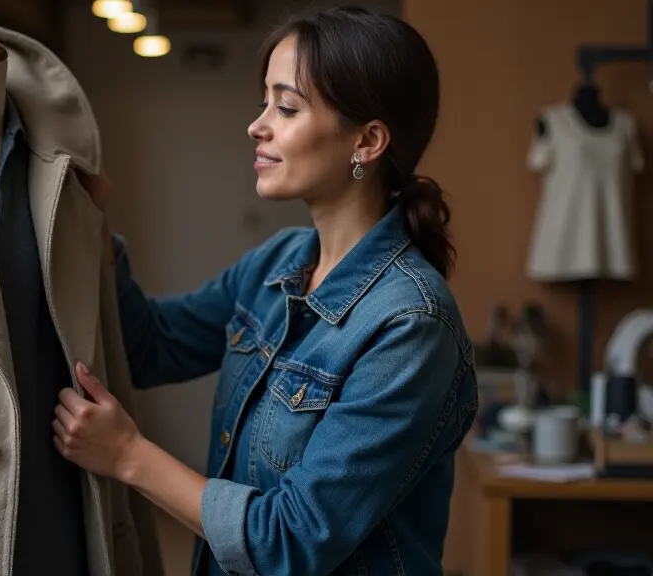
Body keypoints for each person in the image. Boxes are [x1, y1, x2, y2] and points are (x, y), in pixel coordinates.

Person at [53, 6, 479, 576]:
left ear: (368, 140)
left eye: (286, 107)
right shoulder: (278, 262)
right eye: (264, 102)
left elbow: (292, 540)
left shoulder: (410, 325)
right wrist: (95, 226)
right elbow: (151, 345)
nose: (258, 125)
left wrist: (129, 456)